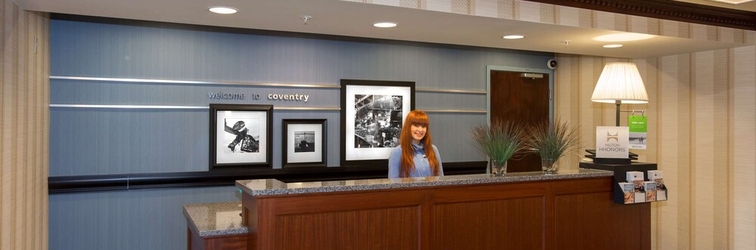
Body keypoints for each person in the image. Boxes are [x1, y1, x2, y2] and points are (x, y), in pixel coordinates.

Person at [388, 110, 444, 178]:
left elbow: (441, 179)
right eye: (416, 125)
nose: (420, 130)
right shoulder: (397, 153)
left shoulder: (433, 150)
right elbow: (393, 185)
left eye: (423, 126)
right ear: (408, 127)